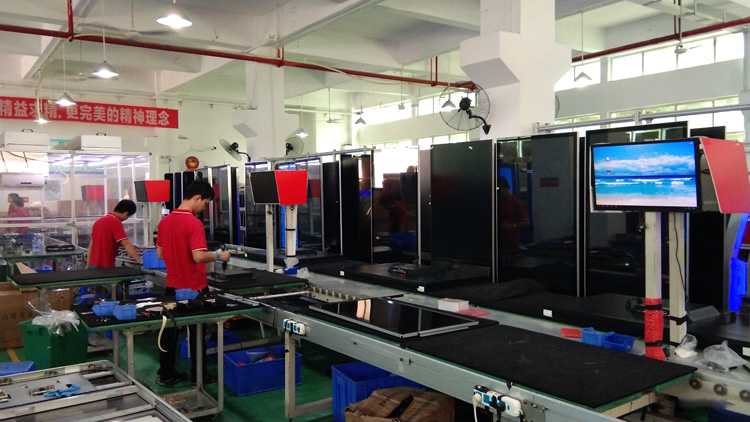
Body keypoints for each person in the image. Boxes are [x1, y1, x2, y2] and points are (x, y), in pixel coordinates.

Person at [156, 180, 230, 387]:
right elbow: (198, 257)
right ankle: (200, 375)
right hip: (194, 287)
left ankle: (167, 374)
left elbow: (160, 254)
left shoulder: (165, 221)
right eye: (205, 203)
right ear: (197, 198)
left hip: (172, 285)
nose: (203, 207)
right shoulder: (193, 223)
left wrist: (177, 256)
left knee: (169, 331)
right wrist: (218, 256)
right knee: (197, 331)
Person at [87, 199, 143, 268]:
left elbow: (91, 245)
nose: (126, 219)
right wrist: (139, 260)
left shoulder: (98, 222)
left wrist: (88, 264)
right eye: (128, 216)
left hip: (93, 263)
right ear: (126, 213)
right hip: (105, 265)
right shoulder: (115, 221)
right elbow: (126, 243)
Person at [498, 176, 530, 250]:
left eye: (502, 192)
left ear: (507, 189)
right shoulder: (498, 201)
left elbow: (527, 222)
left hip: (512, 241)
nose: (500, 194)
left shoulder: (516, 203)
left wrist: (511, 226)